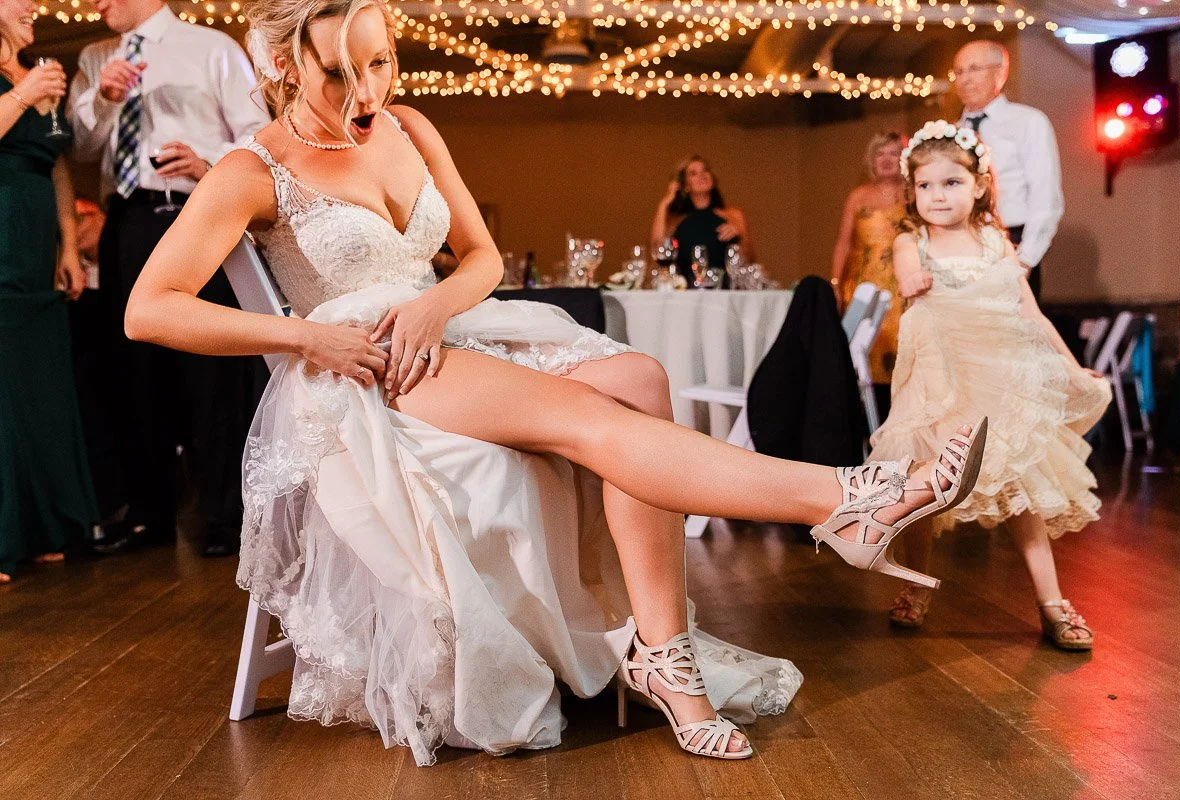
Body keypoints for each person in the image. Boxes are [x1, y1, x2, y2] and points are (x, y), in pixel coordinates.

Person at [124, 0, 986, 764]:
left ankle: (663, 652)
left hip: (449, 320)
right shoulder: (251, 168)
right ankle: (846, 499)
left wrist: (436, 306)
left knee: (641, 376)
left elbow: (481, 256)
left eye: (382, 62)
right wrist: (309, 335)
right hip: (375, 362)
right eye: (342, 70)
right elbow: (150, 310)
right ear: (283, 63)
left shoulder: (412, 128)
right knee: (586, 415)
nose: (368, 91)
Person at [871, 121, 1109, 651]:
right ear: (913, 191)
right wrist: (910, 280)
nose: (937, 195)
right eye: (926, 185)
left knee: (1022, 495)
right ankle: (916, 587)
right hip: (939, 389)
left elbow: (1032, 314)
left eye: (951, 183)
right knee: (924, 495)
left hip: (1002, 386)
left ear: (979, 184)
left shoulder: (996, 244)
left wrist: (1071, 368)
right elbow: (907, 271)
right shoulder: (914, 242)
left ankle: (1051, 603)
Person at [68, 0, 272, 557]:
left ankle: (226, 518)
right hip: (126, 221)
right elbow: (82, 148)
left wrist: (207, 161)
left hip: (196, 215)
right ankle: (149, 514)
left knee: (210, 369)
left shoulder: (212, 49)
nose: (95, 3)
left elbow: (258, 137)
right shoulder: (93, 58)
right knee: (132, 369)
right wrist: (102, 101)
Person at [0, 0, 99, 583]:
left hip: (38, 248)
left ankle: (40, 528)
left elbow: (57, 165)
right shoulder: (27, 82)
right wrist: (22, 93)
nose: (35, 5)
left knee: (39, 389)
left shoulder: (37, 71)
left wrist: (68, 246)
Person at [952, 40, 1063, 301]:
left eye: (974, 69)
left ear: (1000, 72)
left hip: (1011, 238)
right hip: (960, 242)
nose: (965, 79)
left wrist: (1025, 259)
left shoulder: (1027, 122)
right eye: (958, 72)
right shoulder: (951, 131)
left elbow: (1045, 195)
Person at [830, 130, 907, 410]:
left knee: (901, 350)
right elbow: (843, 243)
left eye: (893, 153)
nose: (886, 160)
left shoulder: (913, 193)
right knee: (865, 350)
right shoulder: (858, 196)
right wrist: (836, 284)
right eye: (880, 153)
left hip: (902, 284)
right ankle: (867, 415)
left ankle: (898, 412)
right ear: (871, 159)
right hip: (863, 284)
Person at [650, 155, 754, 283]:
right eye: (694, 173)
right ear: (685, 186)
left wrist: (739, 236)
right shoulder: (677, 221)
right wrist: (664, 203)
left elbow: (749, 259)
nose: (702, 175)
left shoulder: (733, 215)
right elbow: (657, 248)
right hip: (685, 291)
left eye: (705, 170)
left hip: (724, 290)